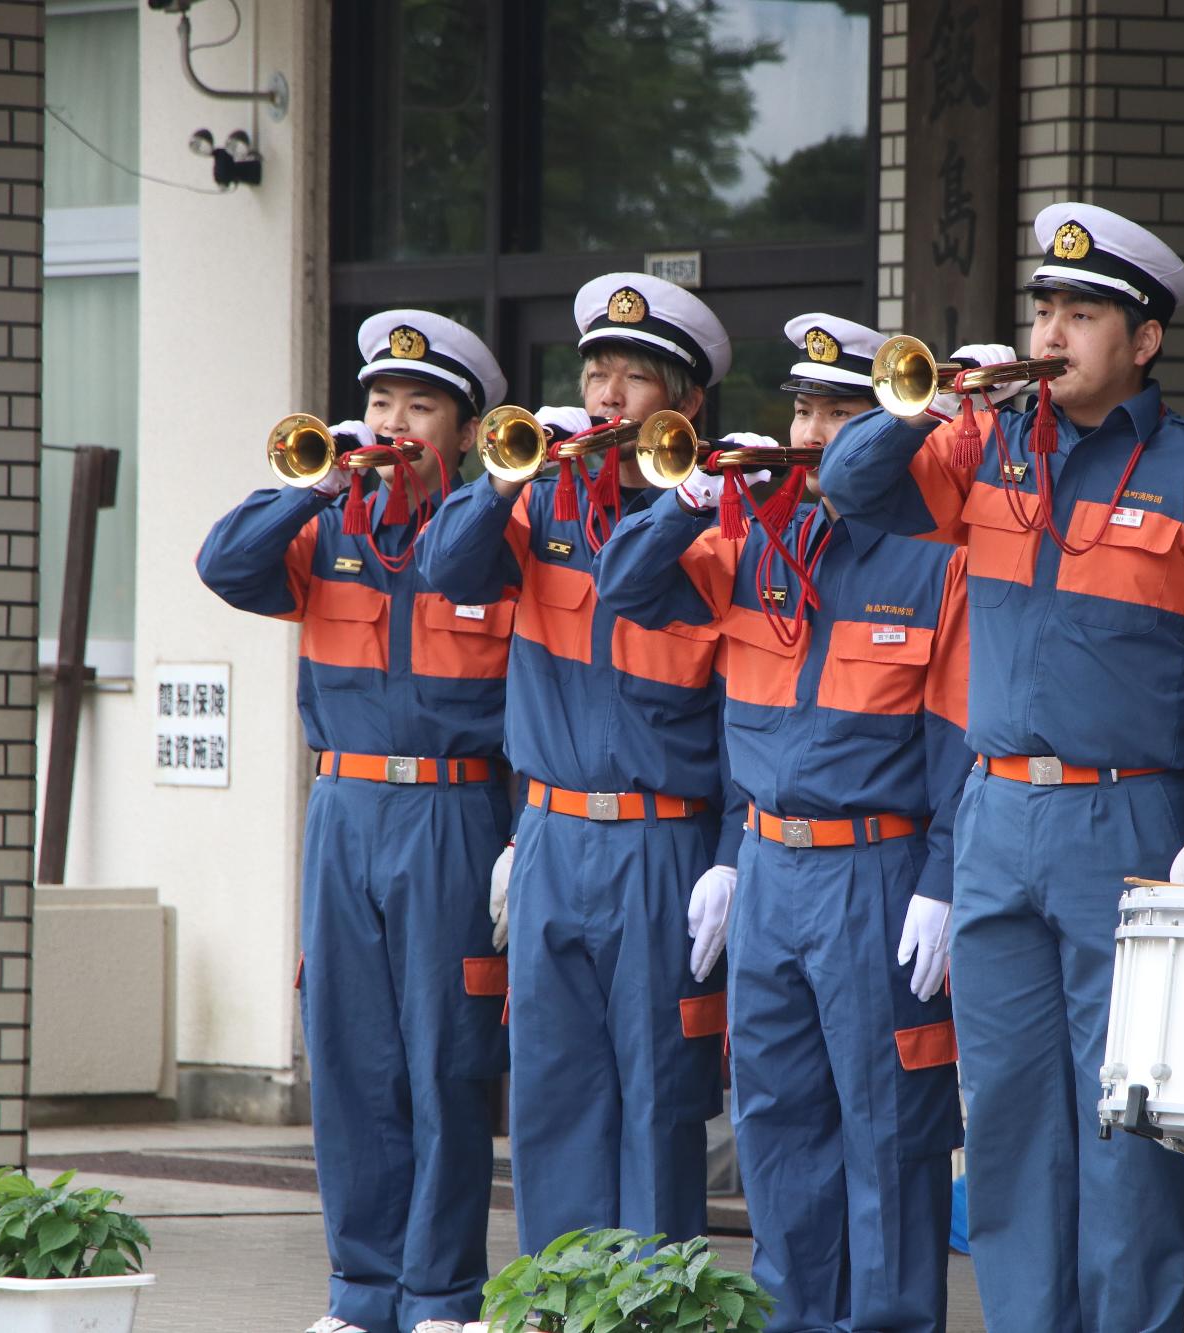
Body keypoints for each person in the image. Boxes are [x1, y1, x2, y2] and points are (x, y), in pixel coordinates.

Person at [819, 203, 1184, 1333]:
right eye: (1044, 309)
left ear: (1142, 340)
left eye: (1081, 313)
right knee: (1011, 1113)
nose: (1051, 332)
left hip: (1127, 824)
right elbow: (851, 489)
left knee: (1120, 1117)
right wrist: (924, 401)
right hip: (995, 814)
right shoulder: (981, 446)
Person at [597, 313, 968, 1333]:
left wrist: (942, 877)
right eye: (800, 409)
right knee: (774, 1121)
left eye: (836, 415)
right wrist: (684, 495)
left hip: (875, 873)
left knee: (886, 1129)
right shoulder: (748, 538)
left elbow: (954, 741)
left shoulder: (930, 556)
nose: (808, 435)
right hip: (765, 867)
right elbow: (624, 586)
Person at [196, 311, 514, 1333]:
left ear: (464, 431)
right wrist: (312, 481)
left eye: (420, 406)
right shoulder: (325, 528)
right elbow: (225, 565)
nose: (392, 422)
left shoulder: (495, 538)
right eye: (381, 402)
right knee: (348, 1058)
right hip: (342, 807)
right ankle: (360, 1291)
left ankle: (438, 1295)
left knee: (445, 1060)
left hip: (454, 810)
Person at [413, 272, 742, 1256]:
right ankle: (551, 1307)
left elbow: (742, 713)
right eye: (596, 371)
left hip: (661, 840)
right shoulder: (542, 495)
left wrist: (728, 853)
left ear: (682, 404)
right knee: (551, 1097)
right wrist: (504, 477)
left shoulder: (720, 518)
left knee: (655, 1102)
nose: (605, 395)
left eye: (633, 377)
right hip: (553, 835)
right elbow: (445, 569)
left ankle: (651, 1314)